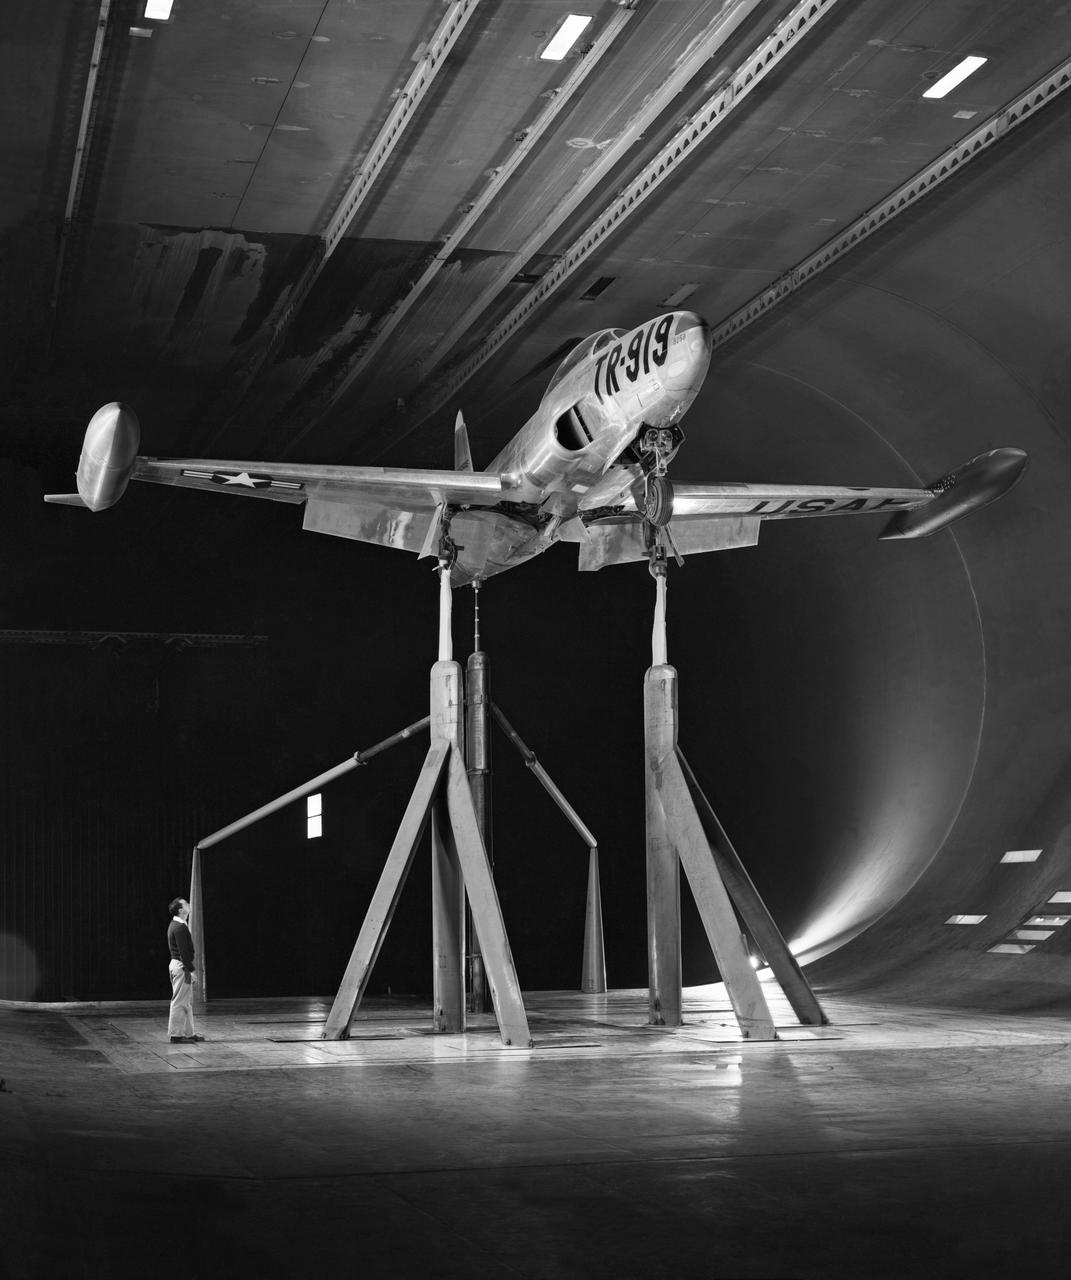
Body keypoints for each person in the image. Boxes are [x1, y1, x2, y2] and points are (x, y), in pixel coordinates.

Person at [167, 897, 205, 1044]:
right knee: (179, 1001)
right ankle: (176, 1035)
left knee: (185, 1001)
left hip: (179, 965)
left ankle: (189, 1033)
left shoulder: (178, 925)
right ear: (180, 909)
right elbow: (184, 952)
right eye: (186, 904)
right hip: (181, 967)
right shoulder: (179, 927)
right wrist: (192, 970)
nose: (189, 905)